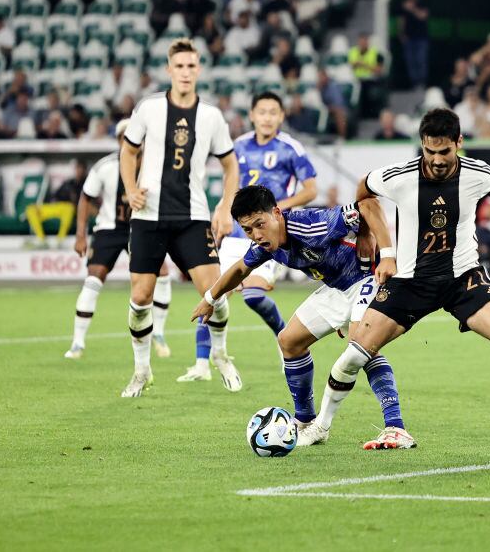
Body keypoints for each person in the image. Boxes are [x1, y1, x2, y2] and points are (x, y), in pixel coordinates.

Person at [297, 108, 490, 447]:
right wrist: (377, 244)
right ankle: (320, 427)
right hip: (410, 281)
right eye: (430, 151)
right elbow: (364, 191)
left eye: (444, 151)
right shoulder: (401, 176)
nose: (437, 159)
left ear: (459, 142)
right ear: (422, 145)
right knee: (355, 354)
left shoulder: (478, 173)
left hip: (463, 279)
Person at [192, 186, 414, 450]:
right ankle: (306, 422)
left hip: (368, 277)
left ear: (276, 213)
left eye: (260, 224)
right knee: (289, 341)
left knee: (361, 345)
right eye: (248, 229)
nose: (257, 235)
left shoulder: (313, 225)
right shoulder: (267, 245)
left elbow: (369, 205)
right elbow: (241, 268)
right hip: (337, 289)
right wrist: (209, 299)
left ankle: (395, 427)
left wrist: (387, 255)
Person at [119, 38, 240, 398]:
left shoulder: (212, 116)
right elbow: (128, 151)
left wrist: (224, 206)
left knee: (216, 292)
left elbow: (230, 166)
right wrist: (129, 188)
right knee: (140, 299)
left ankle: (220, 354)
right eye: (180, 66)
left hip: (193, 217)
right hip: (148, 217)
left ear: (198, 69)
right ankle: (142, 370)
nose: (186, 72)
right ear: (169, 70)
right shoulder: (149, 109)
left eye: (191, 66)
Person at [182, 93, 319, 381]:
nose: (267, 117)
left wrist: (279, 209)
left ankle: (285, 343)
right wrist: (221, 210)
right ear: (252, 115)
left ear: (281, 116)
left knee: (254, 296)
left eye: (273, 112)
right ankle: (202, 364)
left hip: (270, 232)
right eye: (262, 112)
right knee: (215, 291)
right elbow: (229, 182)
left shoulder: (290, 148)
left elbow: (311, 190)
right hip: (236, 231)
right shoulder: (238, 145)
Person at [65, 120, 172, 360]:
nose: (129, 140)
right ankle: (77, 343)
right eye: (124, 136)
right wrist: (81, 234)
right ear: (118, 139)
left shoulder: (155, 168)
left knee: (163, 273)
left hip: (142, 228)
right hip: (109, 230)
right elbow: (85, 198)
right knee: (94, 278)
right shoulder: (105, 166)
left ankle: (159, 334)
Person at [399, 0, 430, 89]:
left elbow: (423, 16)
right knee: (410, 61)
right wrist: (401, 33)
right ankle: (414, 83)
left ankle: (422, 83)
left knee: (421, 60)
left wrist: (412, 9)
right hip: (408, 37)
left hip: (421, 37)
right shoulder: (404, 4)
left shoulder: (423, 1)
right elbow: (402, 20)